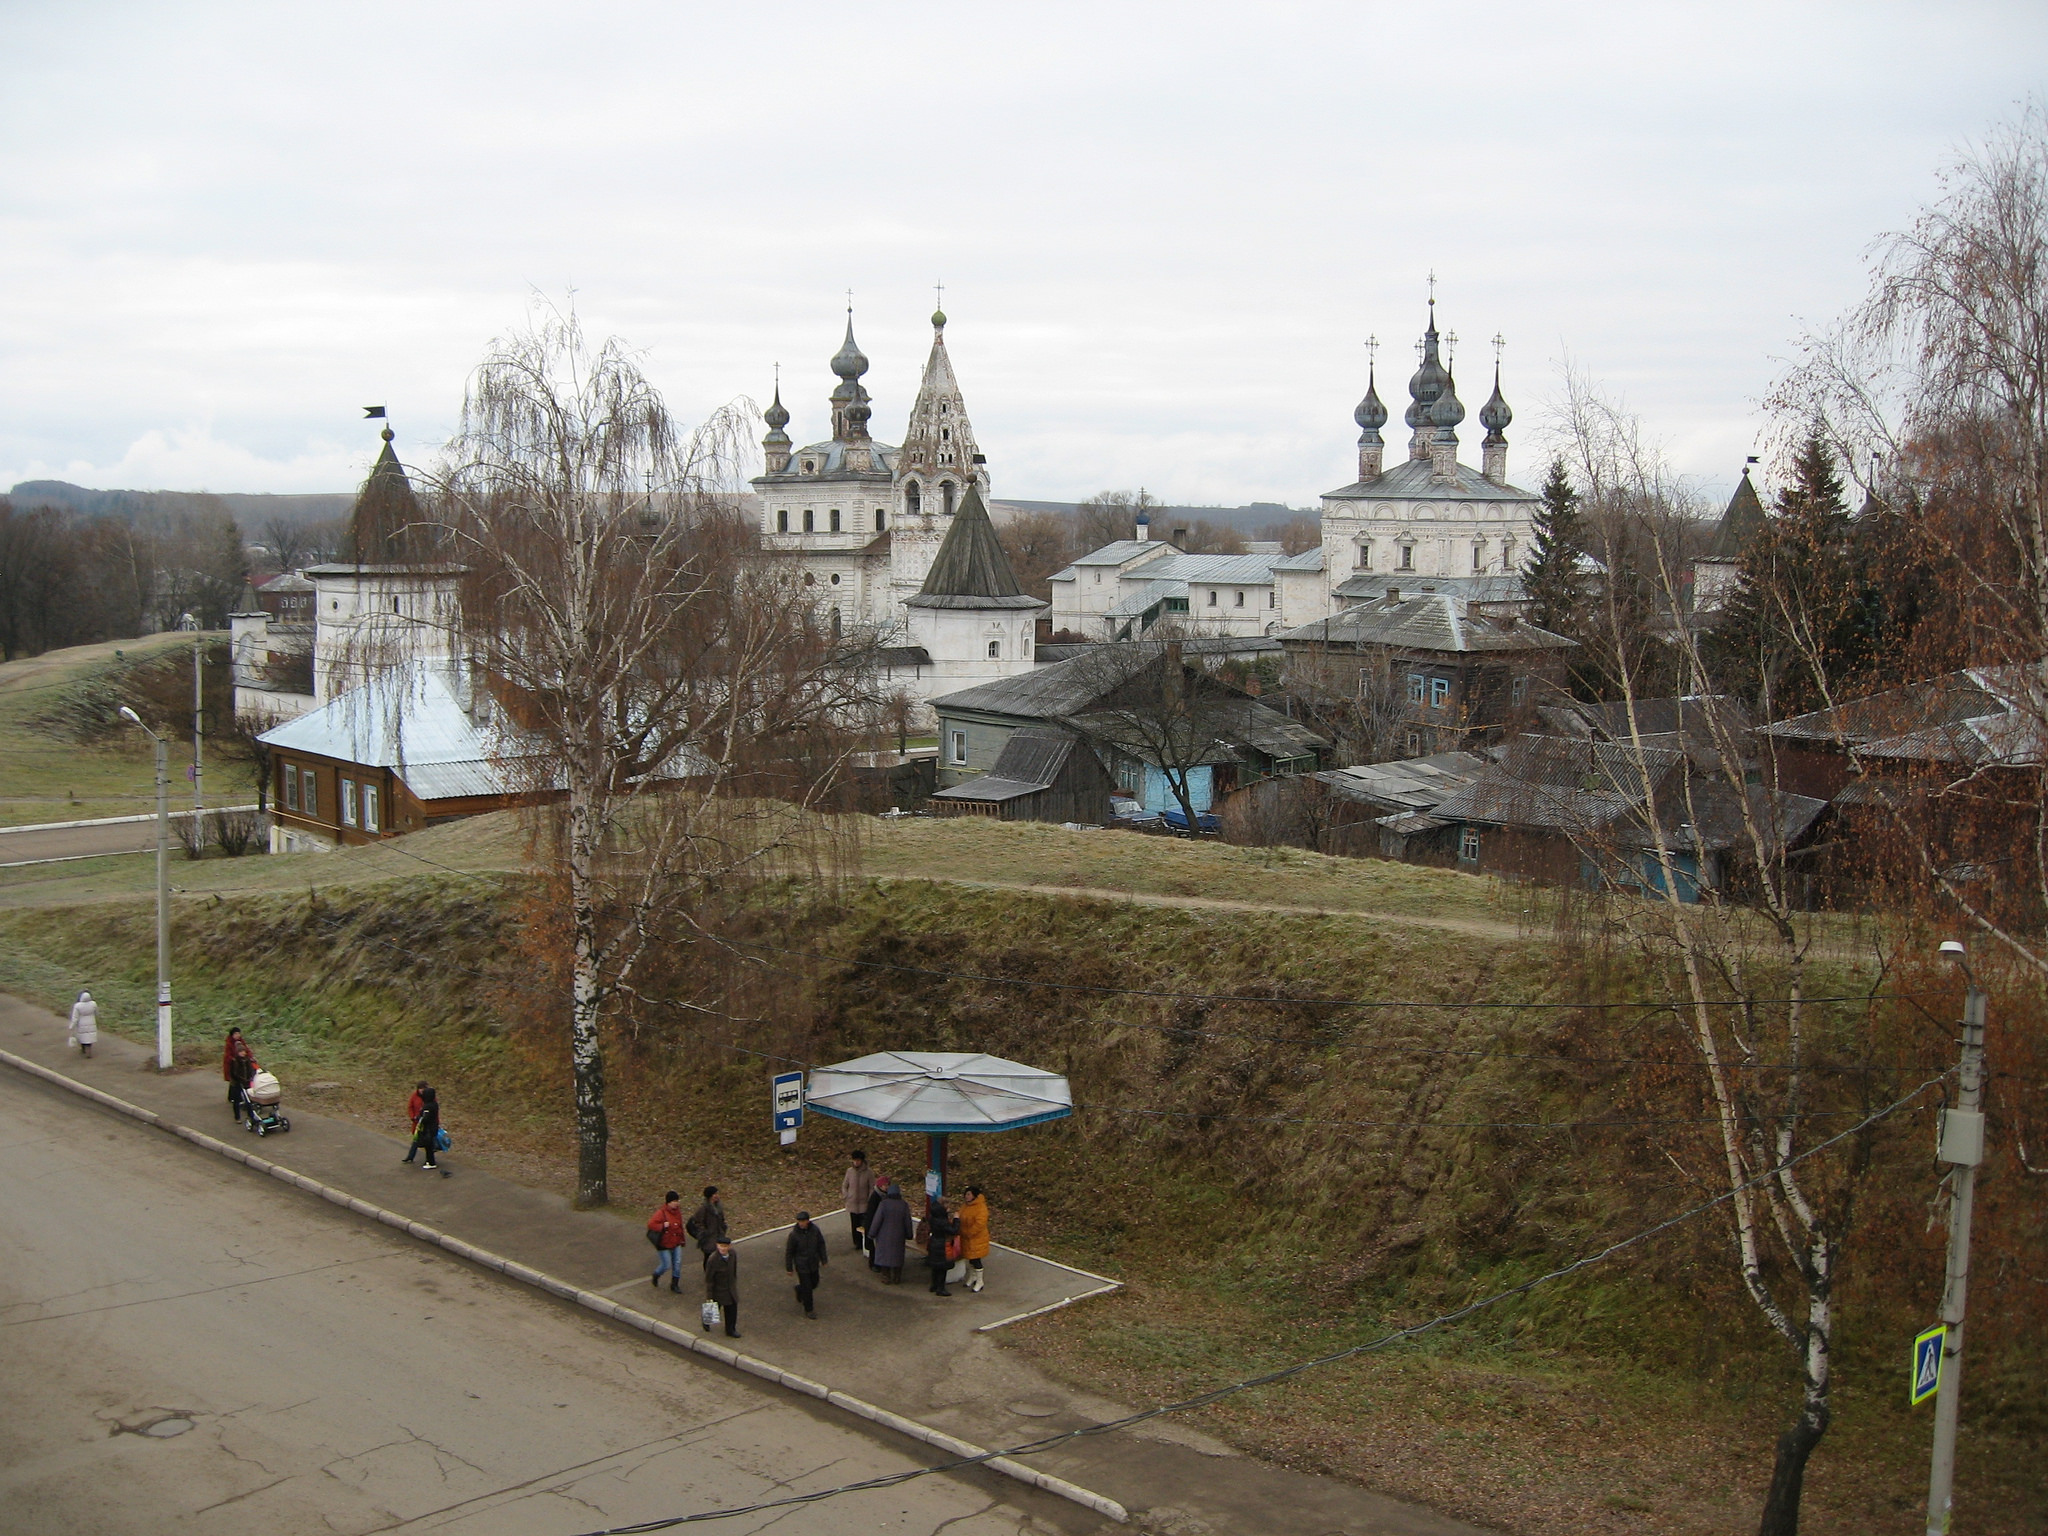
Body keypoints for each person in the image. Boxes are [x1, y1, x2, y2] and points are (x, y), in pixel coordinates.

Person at [784, 1210, 828, 1318]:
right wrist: (789, 1268)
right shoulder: (794, 1235)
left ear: (808, 1221)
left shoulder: (815, 1231)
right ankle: (809, 1309)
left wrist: (823, 1259)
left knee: (814, 1283)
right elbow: (789, 1252)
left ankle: (799, 1289)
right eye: (799, 1221)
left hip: (813, 1262)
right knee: (807, 1288)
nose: (801, 1223)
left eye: (803, 1221)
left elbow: (821, 1244)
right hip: (802, 1265)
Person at [867, 1178, 911, 1284]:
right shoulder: (904, 1205)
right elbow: (908, 1222)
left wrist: (871, 1233)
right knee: (897, 1257)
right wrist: (909, 1235)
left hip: (884, 1236)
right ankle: (897, 1277)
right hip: (899, 1236)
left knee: (885, 1256)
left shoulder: (883, 1204)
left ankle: (886, 1277)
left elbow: (877, 1220)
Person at [647, 1191, 686, 1292]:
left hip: (676, 1242)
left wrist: (682, 1240)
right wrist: (662, 1226)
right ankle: (656, 1274)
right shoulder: (661, 1213)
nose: (676, 1203)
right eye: (674, 1201)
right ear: (668, 1202)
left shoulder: (677, 1212)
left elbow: (680, 1227)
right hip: (664, 1244)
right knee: (666, 1264)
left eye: (677, 1201)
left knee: (677, 1263)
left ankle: (675, 1284)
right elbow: (651, 1224)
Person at [921, 1195, 959, 1296]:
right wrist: (956, 1220)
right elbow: (953, 1231)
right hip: (942, 1244)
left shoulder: (934, 1215)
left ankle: (934, 1285)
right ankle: (941, 1288)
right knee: (942, 1267)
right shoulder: (942, 1220)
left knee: (935, 1266)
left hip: (934, 1242)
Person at [703, 1237, 740, 1337]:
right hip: (718, 1290)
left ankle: (730, 1330)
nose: (723, 1249)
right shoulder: (713, 1260)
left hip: (730, 1288)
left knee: (732, 1310)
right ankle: (706, 1322)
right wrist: (709, 1295)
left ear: (729, 1246)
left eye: (725, 1246)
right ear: (717, 1246)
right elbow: (709, 1279)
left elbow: (734, 1270)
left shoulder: (733, 1255)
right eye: (721, 1246)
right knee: (715, 1307)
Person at [957, 1185, 991, 1293]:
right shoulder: (965, 1206)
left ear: (974, 1196)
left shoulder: (980, 1207)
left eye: (969, 1194)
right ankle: (972, 1277)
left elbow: (980, 1223)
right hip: (966, 1237)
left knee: (976, 1259)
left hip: (976, 1238)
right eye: (966, 1194)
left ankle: (980, 1281)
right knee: (970, 1258)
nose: (966, 1196)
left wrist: (968, 1232)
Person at [409, 1085, 448, 1175]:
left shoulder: (428, 1106)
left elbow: (425, 1118)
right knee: (429, 1145)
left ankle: (431, 1162)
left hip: (428, 1129)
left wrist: (418, 1117)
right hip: (433, 1127)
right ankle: (430, 1161)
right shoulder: (434, 1104)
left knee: (428, 1146)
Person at [221, 1029, 258, 1123]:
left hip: (245, 1080)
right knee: (237, 1098)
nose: (238, 1035)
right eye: (236, 1033)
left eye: (238, 1033)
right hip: (237, 1080)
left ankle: (251, 1116)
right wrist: (240, 1078)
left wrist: (250, 1076)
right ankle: (237, 1117)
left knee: (248, 1099)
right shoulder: (233, 1057)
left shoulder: (245, 1056)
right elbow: (234, 1072)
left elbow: (249, 1067)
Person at [842, 1150, 874, 1254]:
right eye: (854, 1160)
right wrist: (846, 1195)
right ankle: (857, 1243)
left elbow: (871, 1187)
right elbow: (845, 1185)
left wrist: (869, 1199)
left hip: (864, 1203)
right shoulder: (849, 1171)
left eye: (858, 1160)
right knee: (854, 1224)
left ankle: (864, 1243)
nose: (856, 1162)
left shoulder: (869, 1172)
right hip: (852, 1203)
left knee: (864, 1224)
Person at [688, 1186, 728, 1255]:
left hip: (719, 1236)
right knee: (709, 1258)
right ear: (710, 1196)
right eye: (715, 1194)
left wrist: (723, 1228)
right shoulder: (703, 1209)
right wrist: (704, 1233)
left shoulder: (719, 1208)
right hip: (709, 1239)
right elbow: (697, 1222)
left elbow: (722, 1220)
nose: (717, 1196)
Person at [863, 1174, 891, 1269]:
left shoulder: (885, 1196)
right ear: (880, 1186)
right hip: (874, 1224)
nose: (886, 1187)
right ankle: (873, 1264)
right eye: (885, 1185)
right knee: (874, 1247)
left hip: (881, 1224)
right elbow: (871, 1214)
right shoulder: (875, 1197)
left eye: (887, 1185)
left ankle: (878, 1263)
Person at [67, 991, 98, 1059]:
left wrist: (72, 1026)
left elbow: (75, 1017)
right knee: (90, 1036)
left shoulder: (78, 1006)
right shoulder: (93, 1004)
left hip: (82, 1023)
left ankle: (84, 1048)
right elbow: (96, 1012)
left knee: (83, 1037)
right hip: (91, 1022)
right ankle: (88, 1049)